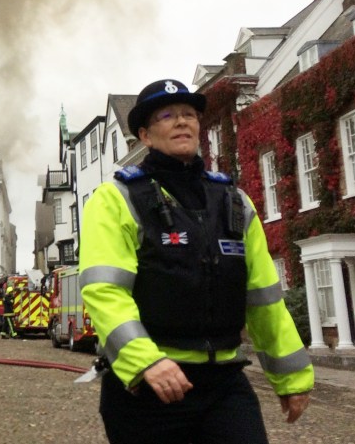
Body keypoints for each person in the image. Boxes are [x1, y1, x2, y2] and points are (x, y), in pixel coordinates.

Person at [80, 79, 313, 444]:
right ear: (145, 135)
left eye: (189, 114)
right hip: (149, 389)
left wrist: (291, 377)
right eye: (168, 115)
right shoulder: (115, 199)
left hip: (224, 384)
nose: (182, 122)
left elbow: (264, 298)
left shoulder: (235, 202)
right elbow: (104, 291)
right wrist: (145, 362)